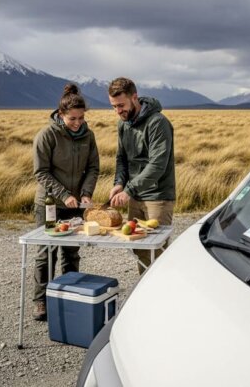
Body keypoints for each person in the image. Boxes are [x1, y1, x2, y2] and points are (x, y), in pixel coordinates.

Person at [31, 84, 99, 321]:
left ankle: (70, 296)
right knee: (46, 253)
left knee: (71, 253)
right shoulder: (47, 136)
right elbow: (41, 172)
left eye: (81, 118)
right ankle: (41, 301)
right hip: (49, 203)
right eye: (72, 118)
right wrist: (65, 195)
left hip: (75, 206)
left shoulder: (88, 136)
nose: (77, 122)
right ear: (60, 114)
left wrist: (86, 193)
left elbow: (93, 168)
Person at [107, 77, 176, 274]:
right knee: (138, 248)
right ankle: (145, 296)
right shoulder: (123, 124)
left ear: (134, 97)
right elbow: (122, 158)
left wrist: (128, 190)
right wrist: (119, 183)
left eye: (121, 105)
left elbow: (157, 165)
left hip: (158, 197)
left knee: (156, 250)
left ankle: (162, 300)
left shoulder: (158, 123)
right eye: (113, 107)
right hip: (134, 195)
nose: (118, 111)